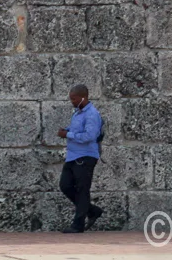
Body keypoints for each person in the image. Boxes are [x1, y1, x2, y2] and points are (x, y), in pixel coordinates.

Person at [56, 83, 103, 233]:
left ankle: (78, 225)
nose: (72, 102)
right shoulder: (77, 113)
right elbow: (78, 130)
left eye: (74, 99)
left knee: (83, 190)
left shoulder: (92, 114)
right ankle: (92, 211)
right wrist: (67, 130)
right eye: (71, 99)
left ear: (83, 97)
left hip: (86, 157)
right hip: (73, 156)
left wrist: (68, 135)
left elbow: (90, 136)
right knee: (65, 185)